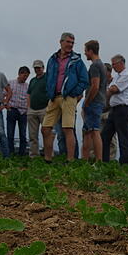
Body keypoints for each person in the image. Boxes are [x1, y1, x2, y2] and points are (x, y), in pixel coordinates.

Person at [42, 32, 88, 163]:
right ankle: (48, 158)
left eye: (72, 43)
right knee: (45, 128)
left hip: (68, 98)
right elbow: (49, 77)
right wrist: (49, 91)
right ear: (61, 42)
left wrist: (74, 93)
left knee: (68, 128)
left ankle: (70, 160)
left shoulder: (77, 60)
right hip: (54, 97)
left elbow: (84, 80)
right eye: (68, 42)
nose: (70, 45)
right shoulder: (52, 59)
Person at [101, 54, 128, 164]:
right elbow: (110, 89)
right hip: (114, 109)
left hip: (122, 109)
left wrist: (110, 90)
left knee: (123, 136)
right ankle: (104, 161)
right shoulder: (117, 76)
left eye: (114, 64)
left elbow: (114, 89)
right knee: (105, 135)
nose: (113, 66)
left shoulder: (127, 75)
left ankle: (125, 162)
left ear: (121, 63)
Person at [80, 40, 107, 161]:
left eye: (86, 51)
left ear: (91, 51)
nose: (85, 53)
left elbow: (95, 86)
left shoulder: (95, 65)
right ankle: (85, 160)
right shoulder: (102, 65)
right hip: (99, 101)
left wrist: (87, 101)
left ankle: (98, 160)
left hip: (94, 102)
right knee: (87, 131)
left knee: (94, 131)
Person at [26, 60, 48, 157]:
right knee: (32, 135)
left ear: (43, 67)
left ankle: (48, 155)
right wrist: (29, 108)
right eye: (36, 68)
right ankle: (34, 156)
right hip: (32, 110)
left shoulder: (47, 78)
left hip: (44, 109)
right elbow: (29, 94)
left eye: (39, 67)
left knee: (47, 133)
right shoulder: (32, 80)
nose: (37, 69)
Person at [7, 66, 30, 156]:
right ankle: (10, 153)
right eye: (24, 76)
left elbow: (29, 99)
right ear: (19, 74)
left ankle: (22, 154)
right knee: (10, 133)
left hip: (23, 112)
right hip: (12, 110)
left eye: (27, 76)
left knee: (23, 135)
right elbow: (3, 94)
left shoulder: (28, 86)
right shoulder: (10, 83)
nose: (25, 78)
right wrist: (5, 104)